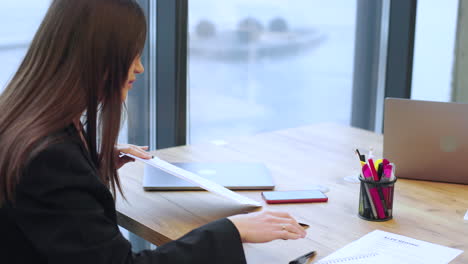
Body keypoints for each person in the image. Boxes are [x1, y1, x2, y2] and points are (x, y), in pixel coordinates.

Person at [0, 0, 307, 263]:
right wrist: (234, 229)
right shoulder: (51, 158)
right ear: (98, 58)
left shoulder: (23, 120)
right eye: (132, 55)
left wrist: (91, 163)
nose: (140, 68)